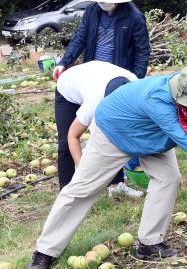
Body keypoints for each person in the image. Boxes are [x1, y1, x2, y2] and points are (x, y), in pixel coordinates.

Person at [27, 64, 187, 269]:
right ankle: (45, 251)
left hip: (155, 136)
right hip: (116, 131)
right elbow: (186, 139)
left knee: (169, 178)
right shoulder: (157, 99)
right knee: (83, 188)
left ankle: (150, 243)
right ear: (182, 96)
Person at [54, 60, 142, 198]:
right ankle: (68, 194)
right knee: (65, 143)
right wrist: (84, 175)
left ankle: (116, 186)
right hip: (68, 88)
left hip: (96, 76)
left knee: (114, 133)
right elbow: (73, 136)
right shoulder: (95, 101)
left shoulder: (137, 87)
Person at [53, 0, 150, 81]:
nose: (103, 1)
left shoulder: (134, 17)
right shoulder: (92, 11)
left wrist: (136, 79)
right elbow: (80, 39)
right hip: (93, 72)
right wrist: (64, 62)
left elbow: (142, 51)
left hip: (119, 75)